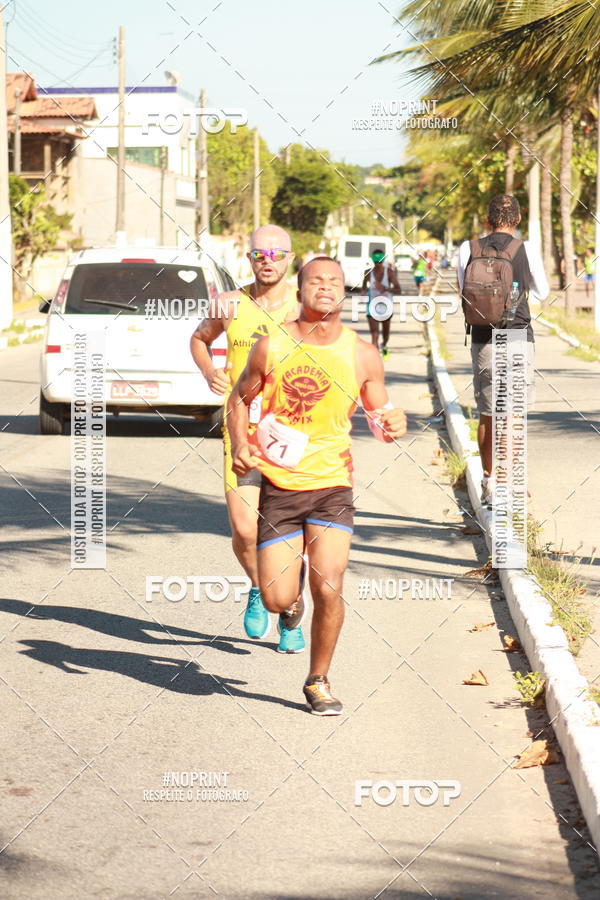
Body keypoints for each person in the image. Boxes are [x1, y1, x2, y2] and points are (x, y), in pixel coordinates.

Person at [227, 256, 407, 715]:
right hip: (280, 488)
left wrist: (395, 422)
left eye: (334, 282)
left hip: (331, 486)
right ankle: (290, 607)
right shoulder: (272, 345)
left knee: (330, 584)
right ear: (300, 290)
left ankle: (318, 679)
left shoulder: (362, 355)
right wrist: (240, 443)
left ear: (344, 292)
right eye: (315, 281)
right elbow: (239, 397)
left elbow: (381, 421)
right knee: (277, 596)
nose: (324, 288)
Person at [190, 224, 304, 652]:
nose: (268, 261)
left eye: (276, 254)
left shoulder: (304, 305)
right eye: (260, 255)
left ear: (290, 258)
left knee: (289, 533)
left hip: (294, 433)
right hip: (240, 428)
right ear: (250, 258)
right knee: (244, 530)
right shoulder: (229, 304)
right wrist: (209, 371)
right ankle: (259, 585)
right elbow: (200, 339)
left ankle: (291, 614)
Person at [456, 194, 549, 506]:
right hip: (519, 335)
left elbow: (463, 290)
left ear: (487, 219)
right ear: (518, 219)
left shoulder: (467, 248)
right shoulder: (527, 249)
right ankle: (514, 483)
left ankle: (490, 481)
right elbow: (542, 290)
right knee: (514, 411)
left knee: (487, 411)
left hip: (483, 336)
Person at [361, 249, 401, 359]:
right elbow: (364, 286)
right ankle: (375, 359)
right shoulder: (368, 273)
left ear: (383, 261)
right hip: (372, 306)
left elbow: (399, 290)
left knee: (385, 334)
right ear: (372, 261)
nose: (377, 264)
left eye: (379, 262)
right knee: (374, 335)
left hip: (386, 306)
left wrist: (385, 288)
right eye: (376, 262)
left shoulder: (389, 272)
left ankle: (384, 346)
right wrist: (363, 293)